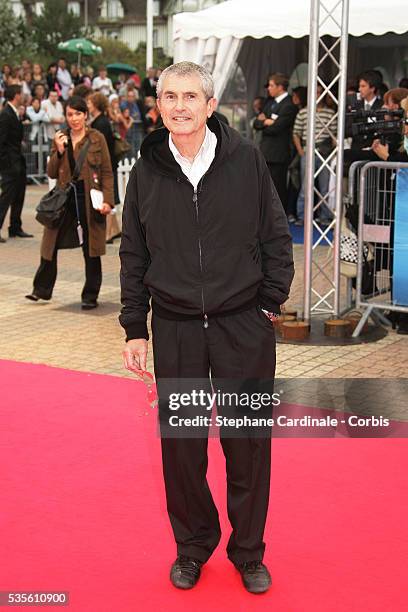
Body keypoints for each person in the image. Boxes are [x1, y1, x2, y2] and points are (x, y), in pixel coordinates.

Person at [119, 61, 294, 594]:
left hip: (242, 324)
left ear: (210, 105)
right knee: (183, 448)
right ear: (160, 104)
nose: (179, 105)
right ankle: (193, 546)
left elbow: (275, 236)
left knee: (247, 443)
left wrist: (268, 302)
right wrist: (134, 327)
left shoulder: (246, 160)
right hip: (175, 327)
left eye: (190, 96)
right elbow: (134, 252)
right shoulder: (146, 169)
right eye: (169, 96)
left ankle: (248, 552)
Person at [26, 96, 114, 307]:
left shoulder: (96, 138)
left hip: (88, 198)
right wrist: (60, 150)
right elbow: (51, 172)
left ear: (86, 115)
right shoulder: (60, 138)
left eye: (78, 114)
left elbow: (107, 172)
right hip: (65, 197)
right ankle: (41, 289)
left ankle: (90, 296)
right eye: (70, 114)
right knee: (50, 242)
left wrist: (108, 201)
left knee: (90, 247)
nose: (74, 119)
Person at [253, 73, 298, 215]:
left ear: (280, 87)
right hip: (265, 151)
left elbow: (277, 128)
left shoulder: (289, 105)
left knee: (277, 186)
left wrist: (265, 122)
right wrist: (266, 122)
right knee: (263, 186)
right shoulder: (269, 103)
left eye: (272, 85)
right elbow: (256, 123)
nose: (269, 89)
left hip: (279, 153)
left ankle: (278, 216)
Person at [293, 83, 336, 225]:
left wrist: (334, 152)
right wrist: (301, 152)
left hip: (325, 153)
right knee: (306, 186)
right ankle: (303, 216)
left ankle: (324, 216)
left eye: (320, 92)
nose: (318, 95)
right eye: (315, 92)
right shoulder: (303, 112)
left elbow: (335, 135)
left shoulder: (329, 113)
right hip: (307, 150)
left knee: (324, 187)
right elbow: (296, 134)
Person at [86, 92, 121, 242]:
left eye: (89, 102)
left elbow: (101, 146)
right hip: (107, 163)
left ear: (96, 104)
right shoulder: (101, 121)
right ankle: (115, 229)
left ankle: (108, 233)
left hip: (103, 164)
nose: (88, 105)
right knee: (108, 194)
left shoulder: (101, 123)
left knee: (105, 196)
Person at [0, 85, 33, 243]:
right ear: (16, 95)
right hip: (10, 164)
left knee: (19, 194)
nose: (23, 96)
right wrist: (6, 164)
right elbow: (2, 141)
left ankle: (15, 226)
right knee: (6, 196)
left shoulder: (14, 112)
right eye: (21, 94)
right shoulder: (6, 114)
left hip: (18, 161)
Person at [120, 89, 146, 158]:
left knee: (136, 145)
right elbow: (127, 115)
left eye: (132, 96)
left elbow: (138, 115)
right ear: (126, 97)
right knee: (127, 146)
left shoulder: (135, 104)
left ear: (134, 97)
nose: (130, 98)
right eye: (129, 96)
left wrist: (132, 116)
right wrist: (132, 116)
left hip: (135, 128)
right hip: (125, 130)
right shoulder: (123, 105)